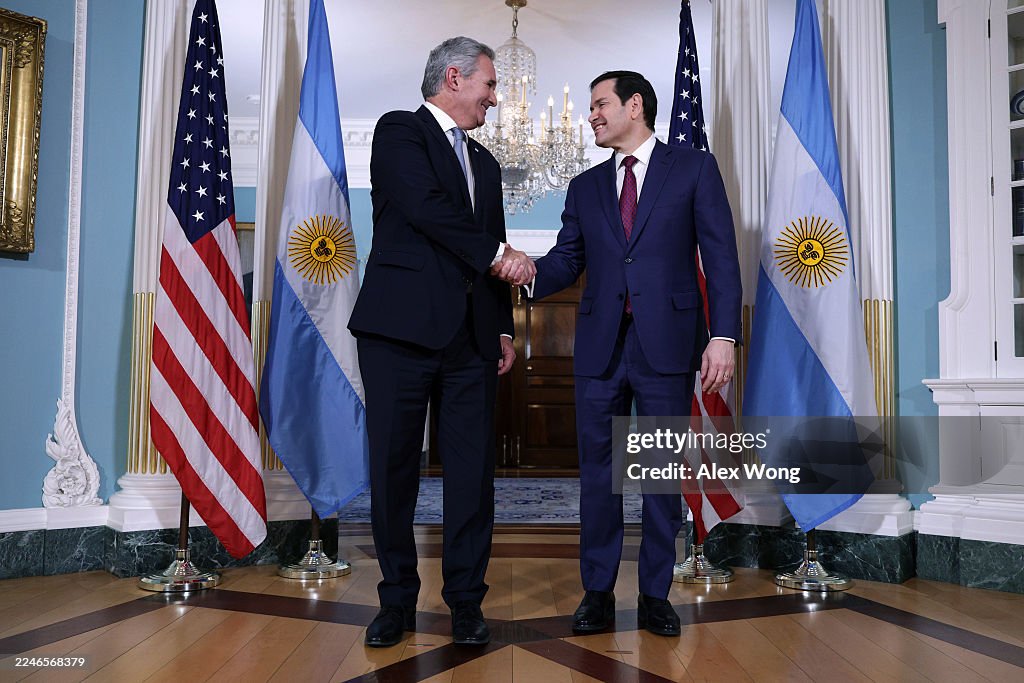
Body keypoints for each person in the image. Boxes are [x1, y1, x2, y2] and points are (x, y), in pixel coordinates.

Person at [494, 70, 741, 636]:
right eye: (590, 106)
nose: (592, 115)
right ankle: (597, 594)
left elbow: (721, 257)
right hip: (600, 350)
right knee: (599, 478)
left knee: (659, 477)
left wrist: (723, 336)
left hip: (669, 348)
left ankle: (655, 594)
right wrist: (523, 269)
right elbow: (566, 260)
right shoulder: (583, 187)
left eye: (600, 104)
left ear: (635, 106)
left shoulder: (693, 168)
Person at [349, 36, 535, 648]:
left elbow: (492, 234)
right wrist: (498, 255)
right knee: (394, 469)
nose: (495, 97)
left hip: (471, 342)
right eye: (489, 83)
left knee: (472, 475)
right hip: (398, 334)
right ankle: (396, 601)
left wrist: (502, 325)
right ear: (453, 78)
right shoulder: (399, 130)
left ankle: (465, 603)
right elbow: (427, 209)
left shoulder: (484, 162)